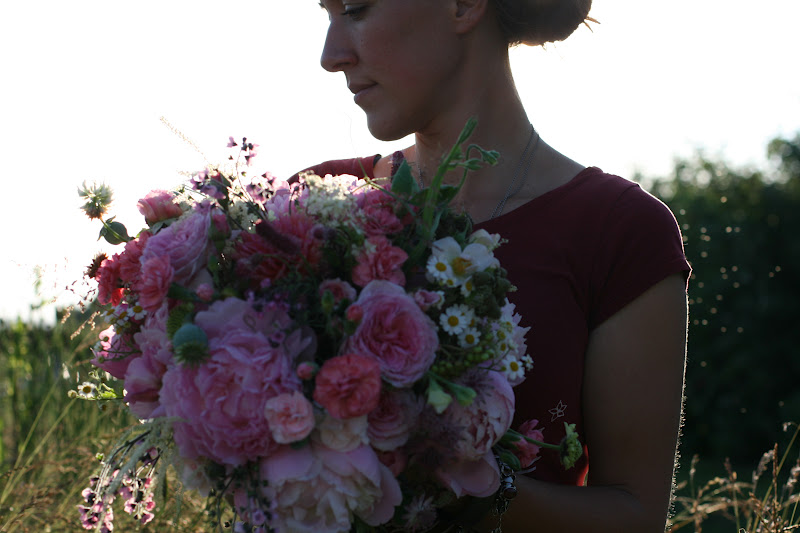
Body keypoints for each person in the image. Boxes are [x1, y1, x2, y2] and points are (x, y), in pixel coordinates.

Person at [308, 1, 691, 531]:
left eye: (355, 8)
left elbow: (634, 515)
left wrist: (475, 486)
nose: (331, 56)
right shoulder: (314, 211)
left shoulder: (618, 232)